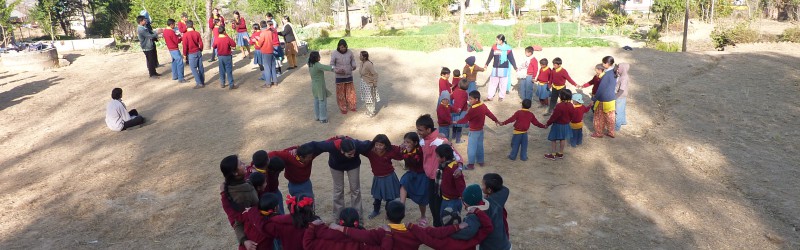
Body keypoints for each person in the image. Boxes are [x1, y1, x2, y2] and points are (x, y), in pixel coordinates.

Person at [337, 200, 487, 250]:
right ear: (403, 215)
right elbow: (436, 233)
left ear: (386, 215)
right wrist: (455, 227)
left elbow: (364, 235)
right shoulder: (415, 231)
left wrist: (341, 228)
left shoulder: (382, 232)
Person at [416, 114, 464, 227]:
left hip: (440, 180)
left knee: (439, 206)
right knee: (433, 205)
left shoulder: (441, 141)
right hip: (430, 178)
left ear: (428, 129)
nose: (418, 132)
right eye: (417, 129)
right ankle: (438, 226)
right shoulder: (423, 141)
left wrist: (460, 167)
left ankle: (441, 228)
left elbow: (457, 156)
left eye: (420, 130)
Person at [305, 136, 372, 216]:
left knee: (355, 190)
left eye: (354, 152)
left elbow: (371, 143)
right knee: (338, 190)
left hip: (353, 165)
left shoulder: (357, 144)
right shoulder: (331, 146)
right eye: (350, 154)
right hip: (336, 166)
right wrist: (299, 149)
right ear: (342, 151)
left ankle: (358, 215)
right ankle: (338, 215)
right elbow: (314, 144)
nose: (353, 155)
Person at [451, 184, 511, 250]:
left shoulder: (473, 216)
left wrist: (450, 231)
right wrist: (488, 189)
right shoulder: (493, 201)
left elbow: (467, 233)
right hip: (506, 246)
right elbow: (505, 190)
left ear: (467, 203)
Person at [218, 155, 260, 250]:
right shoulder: (240, 196)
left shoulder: (242, 182)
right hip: (256, 237)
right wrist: (244, 240)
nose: (244, 164)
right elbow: (237, 221)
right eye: (241, 164)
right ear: (235, 173)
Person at [303, 208, 394, 249]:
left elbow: (308, 245)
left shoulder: (328, 240)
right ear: (357, 222)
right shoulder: (362, 243)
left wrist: (311, 227)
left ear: (340, 222)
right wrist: (388, 234)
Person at [361, 134, 404, 219]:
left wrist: (402, 148)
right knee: (377, 197)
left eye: (381, 145)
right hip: (378, 178)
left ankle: (388, 212)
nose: (378, 147)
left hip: (389, 177)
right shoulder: (370, 152)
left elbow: (399, 155)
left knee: (389, 198)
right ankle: (376, 210)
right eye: (376, 144)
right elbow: (360, 147)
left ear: (386, 145)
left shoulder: (390, 150)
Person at [455, 91, 500, 169]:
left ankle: (471, 164)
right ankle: (480, 161)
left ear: (476, 99)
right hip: (480, 131)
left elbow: (465, 119)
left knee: (471, 148)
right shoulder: (483, 106)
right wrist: (495, 120)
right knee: (480, 146)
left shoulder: (473, 109)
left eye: (471, 99)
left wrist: (456, 121)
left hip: (473, 131)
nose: (469, 100)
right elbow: (489, 114)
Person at [398, 132, 429, 224]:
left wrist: (407, 153)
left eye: (408, 142)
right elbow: (407, 165)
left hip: (422, 175)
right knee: (403, 183)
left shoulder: (420, 151)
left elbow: (414, 162)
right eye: (405, 142)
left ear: (415, 143)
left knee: (421, 197)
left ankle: (423, 216)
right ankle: (401, 207)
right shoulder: (406, 150)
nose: (406, 144)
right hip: (412, 173)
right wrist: (404, 151)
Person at [434, 144, 466, 217]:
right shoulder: (444, 166)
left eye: (437, 156)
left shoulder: (454, 170)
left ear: (444, 158)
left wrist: (465, 201)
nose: (436, 158)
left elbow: (461, 187)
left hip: (453, 201)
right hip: (445, 198)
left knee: (451, 221)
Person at [484, 34, 517, 102]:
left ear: (501, 41)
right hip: (495, 68)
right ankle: (490, 96)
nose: (496, 41)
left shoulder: (508, 48)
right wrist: (486, 64)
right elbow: (490, 56)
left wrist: (515, 67)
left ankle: (501, 96)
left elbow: (511, 58)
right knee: (493, 83)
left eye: (497, 40)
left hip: (504, 69)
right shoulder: (494, 47)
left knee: (503, 83)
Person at [592, 56, 618, 138]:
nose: (603, 65)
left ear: (607, 64)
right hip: (611, 99)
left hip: (603, 99)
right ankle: (611, 132)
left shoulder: (606, 75)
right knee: (610, 117)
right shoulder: (614, 72)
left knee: (599, 117)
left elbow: (601, 89)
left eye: (603, 63)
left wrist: (594, 99)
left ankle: (599, 133)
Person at [544, 90, 574, 160]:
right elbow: (572, 115)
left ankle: (553, 154)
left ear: (561, 97)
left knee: (553, 139)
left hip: (558, 125)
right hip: (566, 125)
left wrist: (548, 124)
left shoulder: (559, 106)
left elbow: (554, 117)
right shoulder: (571, 105)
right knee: (562, 139)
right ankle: (561, 153)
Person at [331, 39, 358, 114]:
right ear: (338, 47)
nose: (343, 49)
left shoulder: (350, 52)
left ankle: (352, 105)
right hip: (339, 76)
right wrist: (336, 70)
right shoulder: (334, 53)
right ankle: (343, 107)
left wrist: (354, 65)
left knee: (350, 92)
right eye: (341, 47)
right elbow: (332, 65)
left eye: (344, 47)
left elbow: (353, 60)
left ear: (346, 46)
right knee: (340, 93)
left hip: (348, 75)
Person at [308, 51, 335, 123]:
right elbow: (325, 67)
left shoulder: (310, 63)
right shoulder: (317, 65)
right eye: (318, 56)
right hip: (320, 86)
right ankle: (323, 118)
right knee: (322, 101)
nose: (320, 57)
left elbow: (308, 59)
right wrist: (334, 67)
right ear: (316, 58)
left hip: (314, 85)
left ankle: (317, 116)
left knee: (316, 101)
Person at [482, 173, 510, 238]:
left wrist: (487, 198)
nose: (482, 187)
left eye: (483, 185)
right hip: (503, 230)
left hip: (494, 235)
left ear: (489, 190)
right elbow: (505, 189)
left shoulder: (488, 204)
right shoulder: (502, 194)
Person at [182, 20, 205, 89]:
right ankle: (202, 81)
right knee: (200, 67)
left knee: (194, 68)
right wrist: (200, 49)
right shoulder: (197, 33)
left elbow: (185, 46)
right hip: (198, 52)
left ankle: (199, 83)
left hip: (191, 53)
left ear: (186, 26)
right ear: (193, 25)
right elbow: (201, 43)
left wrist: (184, 55)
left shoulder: (185, 35)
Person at [164, 19, 186, 83]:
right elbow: (176, 41)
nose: (174, 26)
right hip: (174, 48)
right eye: (174, 24)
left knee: (174, 62)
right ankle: (181, 78)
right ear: (171, 25)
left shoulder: (165, 30)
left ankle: (175, 75)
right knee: (180, 62)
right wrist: (180, 37)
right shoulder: (171, 32)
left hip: (170, 48)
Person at [359, 51, 380, 117]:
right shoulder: (362, 63)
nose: (359, 57)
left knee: (370, 98)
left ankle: (372, 112)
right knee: (366, 97)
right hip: (363, 82)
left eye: (361, 56)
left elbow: (375, 74)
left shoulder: (368, 64)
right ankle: (369, 110)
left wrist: (375, 83)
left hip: (368, 83)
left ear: (364, 57)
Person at [257, 21, 277, 87]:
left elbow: (260, 43)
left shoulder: (263, 33)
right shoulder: (270, 32)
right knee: (273, 67)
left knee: (267, 68)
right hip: (271, 50)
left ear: (260, 26)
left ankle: (268, 83)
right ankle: (275, 81)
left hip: (266, 51)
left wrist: (257, 40)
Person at [450, 79, 470, 143]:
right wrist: (460, 108)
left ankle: (453, 136)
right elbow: (463, 102)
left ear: (459, 84)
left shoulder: (455, 91)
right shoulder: (465, 94)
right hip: (461, 111)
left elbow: (451, 97)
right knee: (459, 125)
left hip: (454, 110)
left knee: (454, 124)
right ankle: (458, 140)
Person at [615, 63, 631, 131]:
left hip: (620, 97)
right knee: (622, 109)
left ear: (623, 69)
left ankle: (617, 126)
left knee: (618, 111)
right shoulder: (623, 76)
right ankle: (623, 121)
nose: (617, 69)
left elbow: (622, 89)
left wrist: (616, 96)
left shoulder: (624, 78)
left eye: (619, 68)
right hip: (623, 96)